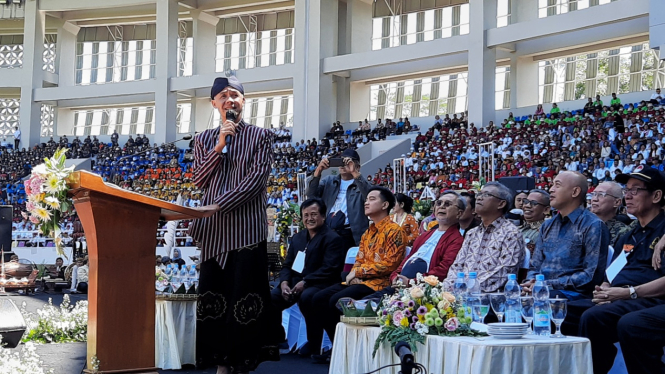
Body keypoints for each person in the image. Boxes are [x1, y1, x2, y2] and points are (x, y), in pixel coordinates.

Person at [188, 76, 280, 373]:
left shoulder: (261, 136)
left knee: (245, 298)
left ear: (244, 101)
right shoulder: (202, 140)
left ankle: (242, 364)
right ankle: (219, 364)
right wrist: (220, 144)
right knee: (214, 300)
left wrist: (219, 204)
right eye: (223, 96)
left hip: (245, 230)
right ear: (214, 103)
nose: (230, 100)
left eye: (235, 95)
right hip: (214, 233)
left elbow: (256, 181)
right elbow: (199, 179)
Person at [562, 167, 665, 374]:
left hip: (649, 297)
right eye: (626, 189)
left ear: (656, 196)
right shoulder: (629, 235)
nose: (628, 195)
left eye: (636, 190)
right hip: (620, 295)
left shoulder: (663, 232)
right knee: (561, 310)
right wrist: (605, 289)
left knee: (602, 318)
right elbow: (612, 273)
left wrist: (629, 293)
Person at [310, 186, 406, 363]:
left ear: (385, 204)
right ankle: (339, 346)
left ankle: (346, 350)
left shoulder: (395, 231)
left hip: (380, 283)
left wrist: (358, 272)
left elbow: (389, 265)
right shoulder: (368, 233)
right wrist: (355, 274)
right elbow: (360, 259)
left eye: (371, 199)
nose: (366, 202)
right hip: (360, 281)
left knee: (335, 301)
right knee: (318, 299)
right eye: (366, 199)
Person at [271, 198, 345, 356]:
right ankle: (278, 340)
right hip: (294, 282)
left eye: (313, 214)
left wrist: (306, 282)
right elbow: (287, 265)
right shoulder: (298, 238)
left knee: (308, 297)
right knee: (271, 297)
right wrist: (284, 283)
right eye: (306, 215)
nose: (309, 219)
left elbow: (330, 268)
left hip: (320, 283)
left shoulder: (333, 238)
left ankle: (314, 347)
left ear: (323, 216)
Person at [522, 171, 610, 300]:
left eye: (557, 185)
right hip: (541, 290)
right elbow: (535, 265)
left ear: (575, 192)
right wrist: (531, 282)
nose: (551, 190)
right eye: (552, 185)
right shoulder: (547, 225)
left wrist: (546, 284)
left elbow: (590, 276)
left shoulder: (593, 225)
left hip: (573, 295)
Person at [442, 182, 525, 292]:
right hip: (459, 294)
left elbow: (503, 272)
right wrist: (446, 288)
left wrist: (467, 289)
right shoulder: (472, 233)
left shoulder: (511, 233)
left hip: (488, 298)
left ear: (501, 204)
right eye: (479, 195)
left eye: (486, 195)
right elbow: (457, 266)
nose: (479, 198)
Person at [380, 191, 465, 296]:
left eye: (447, 204)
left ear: (459, 213)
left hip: (422, 290)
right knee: (364, 303)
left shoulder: (457, 239)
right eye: (439, 203)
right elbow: (408, 258)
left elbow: (444, 270)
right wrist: (395, 276)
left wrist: (413, 282)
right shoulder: (425, 235)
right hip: (400, 285)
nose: (442, 207)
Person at [307, 148, 371, 251]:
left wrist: (354, 173)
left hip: (350, 233)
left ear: (357, 166)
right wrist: (318, 171)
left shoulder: (361, 184)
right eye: (341, 161)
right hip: (327, 230)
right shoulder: (329, 181)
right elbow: (311, 196)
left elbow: (369, 196)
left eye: (347, 161)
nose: (343, 164)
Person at [589, 181, 631, 247]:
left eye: (601, 194)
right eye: (593, 194)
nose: (594, 199)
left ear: (617, 202)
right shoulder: (582, 225)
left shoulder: (623, 232)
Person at [520, 190, 550, 256]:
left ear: (546, 210)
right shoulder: (517, 229)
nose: (527, 205)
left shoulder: (547, 231)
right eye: (526, 202)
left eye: (534, 203)